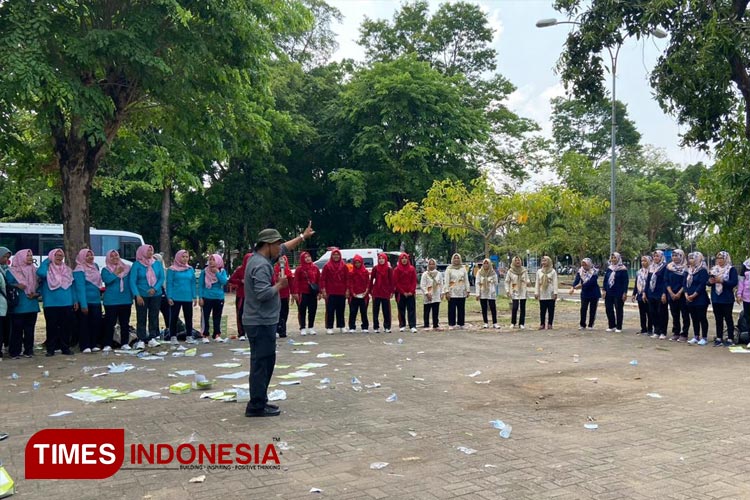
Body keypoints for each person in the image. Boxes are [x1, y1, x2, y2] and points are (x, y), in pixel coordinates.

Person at [243, 222, 314, 418]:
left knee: (266, 361)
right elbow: (261, 294)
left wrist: (302, 237)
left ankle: (261, 400)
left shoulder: (262, 259)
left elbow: (285, 248)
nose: (280, 249)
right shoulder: (260, 265)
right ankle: (256, 405)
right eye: (277, 244)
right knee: (261, 364)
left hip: (263, 320)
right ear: (268, 244)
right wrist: (280, 285)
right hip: (259, 321)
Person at [37, 249, 76, 356]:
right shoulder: (47, 270)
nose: (59, 257)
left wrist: (74, 300)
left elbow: (72, 286)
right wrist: (47, 261)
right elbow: (40, 272)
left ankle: (65, 348)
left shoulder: (67, 270)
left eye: (61, 255)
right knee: (51, 327)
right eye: (56, 255)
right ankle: (51, 349)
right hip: (51, 303)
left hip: (66, 302)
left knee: (66, 328)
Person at [129, 244, 165, 349]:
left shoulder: (157, 264)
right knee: (141, 316)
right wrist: (137, 295)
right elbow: (132, 281)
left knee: (154, 315)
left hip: (156, 294)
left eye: (151, 250)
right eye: (148, 251)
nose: (150, 253)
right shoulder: (137, 265)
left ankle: (152, 337)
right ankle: (141, 338)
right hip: (141, 295)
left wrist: (155, 288)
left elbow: (161, 278)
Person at [6, 249, 40, 358]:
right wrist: (17, 285)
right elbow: (7, 286)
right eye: (28, 255)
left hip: (32, 304)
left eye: (31, 255)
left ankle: (28, 351)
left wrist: (37, 294)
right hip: (18, 306)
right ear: (20, 257)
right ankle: (15, 352)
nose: (30, 257)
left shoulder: (35, 270)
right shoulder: (11, 271)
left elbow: (42, 284)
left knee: (30, 330)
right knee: (17, 330)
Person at [73, 248, 103, 353]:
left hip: (96, 300)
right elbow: (80, 287)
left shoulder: (95, 267)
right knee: (84, 324)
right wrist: (83, 304)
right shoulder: (79, 269)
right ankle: (85, 345)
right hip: (85, 300)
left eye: (91, 255)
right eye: (87, 255)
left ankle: (93, 344)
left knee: (96, 323)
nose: (90, 257)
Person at [101, 249, 132, 351]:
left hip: (125, 299)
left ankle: (124, 343)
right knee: (110, 323)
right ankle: (107, 344)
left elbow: (130, 283)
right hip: (111, 301)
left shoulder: (127, 268)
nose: (115, 258)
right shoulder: (106, 270)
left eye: (116, 256)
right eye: (112, 256)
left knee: (124, 323)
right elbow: (107, 281)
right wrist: (115, 273)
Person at [167, 249, 198, 343]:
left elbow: (193, 283)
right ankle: (173, 336)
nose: (185, 259)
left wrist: (194, 296)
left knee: (188, 317)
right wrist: (169, 297)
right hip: (176, 297)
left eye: (186, 257)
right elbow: (169, 283)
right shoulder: (172, 269)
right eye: (183, 257)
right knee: (174, 317)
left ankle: (189, 335)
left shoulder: (190, 269)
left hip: (187, 297)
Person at [709, 250, 738, 346]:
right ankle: (719, 338)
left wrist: (722, 281)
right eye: (718, 258)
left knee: (728, 318)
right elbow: (707, 282)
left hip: (726, 298)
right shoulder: (714, 269)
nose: (719, 260)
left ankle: (730, 338)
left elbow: (733, 282)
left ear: (726, 258)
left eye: (721, 258)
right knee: (718, 319)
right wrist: (711, 281)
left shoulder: (731, 269)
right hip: (716, 297)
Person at [199, 254, 228, 341]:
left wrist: (217, 273)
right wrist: (200, 297)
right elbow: (201, 285)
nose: (211, 261)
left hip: (219, 297)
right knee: (205, 316)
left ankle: (217, 335)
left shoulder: (222, 271)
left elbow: (224, 282)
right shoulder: (204, 271)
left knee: (217, 316)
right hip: (207, 297)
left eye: (213, 259)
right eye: (210, 259)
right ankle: (205, 334)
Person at [320, 248, 348, 334]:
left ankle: (341, 326)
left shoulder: (344, 266)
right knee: (330, 310)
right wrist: (323, 290)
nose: (336, 256)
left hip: (341, 291)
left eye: (337, 255)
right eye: (334, 255)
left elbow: (347, 279)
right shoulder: (327, 266)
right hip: (330, 291)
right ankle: (329, 327)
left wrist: (347, 290)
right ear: (331, 256)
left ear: (340, 256)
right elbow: (323, 279)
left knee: (341, 309)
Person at [685, 252, 710, 345]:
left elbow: (702, 284)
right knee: (694, 318)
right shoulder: (688, 270)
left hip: (700, 298)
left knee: (702, 317)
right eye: (689, 258)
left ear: (698, 259)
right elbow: (684, 283)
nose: (690, 260)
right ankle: (696, 336)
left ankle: (704, 337)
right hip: (689, 298)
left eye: (692, 258)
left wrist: (694, 294)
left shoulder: (702, 270)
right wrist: (686, 294)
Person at [665, 249, 690, 342]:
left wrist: (679, 293)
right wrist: (671, 292)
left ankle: (684, 334)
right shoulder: (669, 267)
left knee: (684, 315)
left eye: (677, 255)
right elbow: (666, 280)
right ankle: (676, 332)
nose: (675, 257)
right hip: (671, 294)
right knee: (674, 314)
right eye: (673, 255)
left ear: (682, 256)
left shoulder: (686, 267)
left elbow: (686, 282)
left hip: (682, 294)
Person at [570, 257, 600, 330]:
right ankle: (582, 324)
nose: (584, 266)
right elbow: (576, 280)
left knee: (592, 309)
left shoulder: (594, 272)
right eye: (582, 265)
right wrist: (572, 287)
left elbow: (592, 282)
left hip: (594, 292)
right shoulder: (580, 271)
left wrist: (581, 285)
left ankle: (591, 325)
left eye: (585, 265)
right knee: (583, 308)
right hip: (585, 293)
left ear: (589, 264)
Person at [293, 251, 319, 336]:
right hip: (303, 292)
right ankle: (303, 327)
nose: (308, 258)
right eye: (305, 257)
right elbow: (296, 281)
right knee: (302, 310)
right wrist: (295, 292)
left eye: (309, 256)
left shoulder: (315, 268)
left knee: (312, 310)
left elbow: (318, 280)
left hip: (313, 292)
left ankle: (311, 327)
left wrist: (319, 292)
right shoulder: (299, 269)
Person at [603, 252, 629, 333]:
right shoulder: (609, 268)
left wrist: (625, 292)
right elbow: (605, 280)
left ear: (618, 259)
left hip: (619, 292)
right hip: (609, 292)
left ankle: (619, 326)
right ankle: (611, 325)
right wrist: (604, 289)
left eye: (615, 258)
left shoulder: (623, 269)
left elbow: (625, 282)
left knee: (618, 309)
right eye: (612, 258)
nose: (613, 259)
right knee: (608, 309)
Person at [644, 250, 668, 339]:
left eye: (657, 256)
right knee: (652, 312)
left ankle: (663, 331)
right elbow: (648, 281)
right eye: (654, 256)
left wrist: (664, 293)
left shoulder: (665, 267)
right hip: (651, 293)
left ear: (661, 257)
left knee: (662, 312)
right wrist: (645, 292)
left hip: (660, 293)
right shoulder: (651, 267)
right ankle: (656, 331)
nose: (655, 258)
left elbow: (665, 281)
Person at [228, 252, 252, 340]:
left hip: (252, 296)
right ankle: (241, 333)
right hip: (241, 295)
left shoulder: (255, 269)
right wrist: (240, 281)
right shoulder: (240, 270)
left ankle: (250, 332)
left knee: (251, 314)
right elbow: (231, 280)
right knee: (240, 313)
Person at [393, 252, 417, 333]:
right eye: (402, 258)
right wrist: (403, 292)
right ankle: (402, 325)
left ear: (408, 259)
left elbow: (414, 281)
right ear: (400, 260)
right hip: (400, 293)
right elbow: (396, 282)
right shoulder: (397, 269)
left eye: (405, 258)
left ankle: (412, 325)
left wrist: (411, 291)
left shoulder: (412, 269)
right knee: (401, 309)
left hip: (411, 293)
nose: (404, 260)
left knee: (411, 309)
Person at [370, 252, 394, 333]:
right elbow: (371, 280)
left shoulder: (389, 269)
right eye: (379, 259)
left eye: (382, 258)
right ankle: (376, 327)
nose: (381, 260)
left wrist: (391, 291)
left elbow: (391, 281)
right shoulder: (375, 268)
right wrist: (370, 290)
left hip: (385, 292)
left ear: (386, 259)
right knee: (375, 310)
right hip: (376, 291)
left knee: (386, 310)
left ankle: (387, 327)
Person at [445, 253, 470, 330]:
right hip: (452, 292)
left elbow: (466, 280)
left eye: (458, 258)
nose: (456, 260)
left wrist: (468, 290)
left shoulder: (463, 268)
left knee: (461, 308)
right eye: (455, 258)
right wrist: (446, 291)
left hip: (461, 291)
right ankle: (451, 324)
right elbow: (446, 281)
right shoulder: (449, 269)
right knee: (451, 308)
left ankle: (461, 323)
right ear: (452, 259)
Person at [505, 256, 530, 329]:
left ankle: (521, 323)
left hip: (522, 289)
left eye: (518, 260)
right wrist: (507, 290)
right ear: (513, 262)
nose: (517, 262)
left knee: (523, 307)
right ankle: (513, 322)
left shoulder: (524, 270)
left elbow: (527, 279)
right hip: (515, 288)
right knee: (515, 307)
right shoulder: (510, 271)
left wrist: (527, 282)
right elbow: (507, 281)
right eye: (516, 260)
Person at [347, 255, 370, 333]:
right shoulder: (351, 272)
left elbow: (368, 283)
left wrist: (366, 291)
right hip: (354, 295)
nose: (357, 264)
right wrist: (352, 293)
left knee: (364, 311)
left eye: (359, 262)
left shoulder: (365, 272)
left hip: (364, 295)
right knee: (353, 311)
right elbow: (350, 284)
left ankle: (365, 326)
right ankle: (352, 326)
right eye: (356, 263)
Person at [535, 256, 558, 330]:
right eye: (543, 261)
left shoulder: (553, 271)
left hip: (550, 292)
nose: (544, 262)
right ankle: (542, 324)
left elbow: (555, 282)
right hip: (542, 293)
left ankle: (550, 324)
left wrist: (555, 292)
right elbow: (537, 283)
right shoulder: (539, 271)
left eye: (545, 261)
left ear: (549, 261)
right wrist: (536, 292)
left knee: (551, 309)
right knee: (542, 310)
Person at [272, 254, 293, 338]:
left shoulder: (287, 270)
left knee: (285, 312)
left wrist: (293, 293)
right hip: (276, 294)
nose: (282, 261)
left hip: (285, 295)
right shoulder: (274, 269)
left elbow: (290, 280)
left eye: (283, 260)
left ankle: (282, 330)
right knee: (277, 312)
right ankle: (277, 329)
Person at [632, 255, 653, 335]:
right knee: (642, 313)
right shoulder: (639, 272)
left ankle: (650, 329)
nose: (643, 263)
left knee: (649, 313)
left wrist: (646, 293)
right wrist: (634, 294)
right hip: (640, 294)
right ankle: (643, 329)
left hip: (648, 295)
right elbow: (636, 283)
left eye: (645, 261)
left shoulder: (651, 271)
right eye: (642, 261)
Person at [475, 258, 499, 329]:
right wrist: (477, 293)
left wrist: (490, 282)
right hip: (483, 292)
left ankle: (495, 323)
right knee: (484, 308)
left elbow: (496, 282)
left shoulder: (493, 272)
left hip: (491, 292)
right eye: (484, 263)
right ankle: (485, 322)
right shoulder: (479, 272)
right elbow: (477, 283)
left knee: (493, 307)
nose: (486, 265)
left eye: (487, 263)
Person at [420, 258, 443, 330]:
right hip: (428, 295)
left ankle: (435, 324)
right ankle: (426, 324)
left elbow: (441, 284)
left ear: (435, 265)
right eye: (430, 264)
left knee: (435, 311)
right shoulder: (425, 274)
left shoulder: (439, 274)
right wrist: (426, 293)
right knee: (427, 311)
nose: (431, 265)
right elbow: (422, 285)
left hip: (436, 294)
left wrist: (442, 293)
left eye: (433, 264)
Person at [0, 246, 11, 357]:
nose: (6, 260)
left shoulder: (6, 269)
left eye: (7, 257)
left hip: (4, 305)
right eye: (4, 257)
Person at [737, 258, 750, 347]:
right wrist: (739, 294)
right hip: (747, 297)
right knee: (748, 318)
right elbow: (741, 281)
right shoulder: (746, 264)